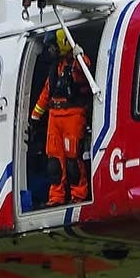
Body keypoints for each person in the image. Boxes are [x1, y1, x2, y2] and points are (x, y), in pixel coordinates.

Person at [31, 29, 93, 205]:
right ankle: (56, 197)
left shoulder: (76, 63)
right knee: (54, 162)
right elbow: (46, 93)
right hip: (54, 116)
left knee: (73, 159)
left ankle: (78, 195)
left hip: (73, 115)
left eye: (53, 46)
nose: (51, 50)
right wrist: (35, 118)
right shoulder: (54, 68)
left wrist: (79, 55)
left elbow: (85, 70)